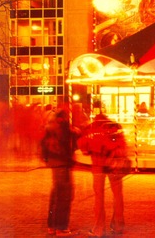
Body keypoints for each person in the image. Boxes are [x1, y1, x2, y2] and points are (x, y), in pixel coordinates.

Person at [78, 102, 128, 237]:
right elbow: (123, 144)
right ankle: (118, 225)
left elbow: (83, 146)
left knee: (99, 197)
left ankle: (99, 228)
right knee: (118, 196)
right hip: (114, 164)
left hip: (98, 165)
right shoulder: (114, 125)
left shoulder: (91, 127)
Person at [40, 108, 79, 236]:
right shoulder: (63, 129)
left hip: (54, 163)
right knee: (64, 196)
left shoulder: (48, 129)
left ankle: (51, 225)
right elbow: (72, 142)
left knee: (56, 194)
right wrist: (76, 131)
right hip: (62, 163)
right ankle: (61, 227)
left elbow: (43, 146)